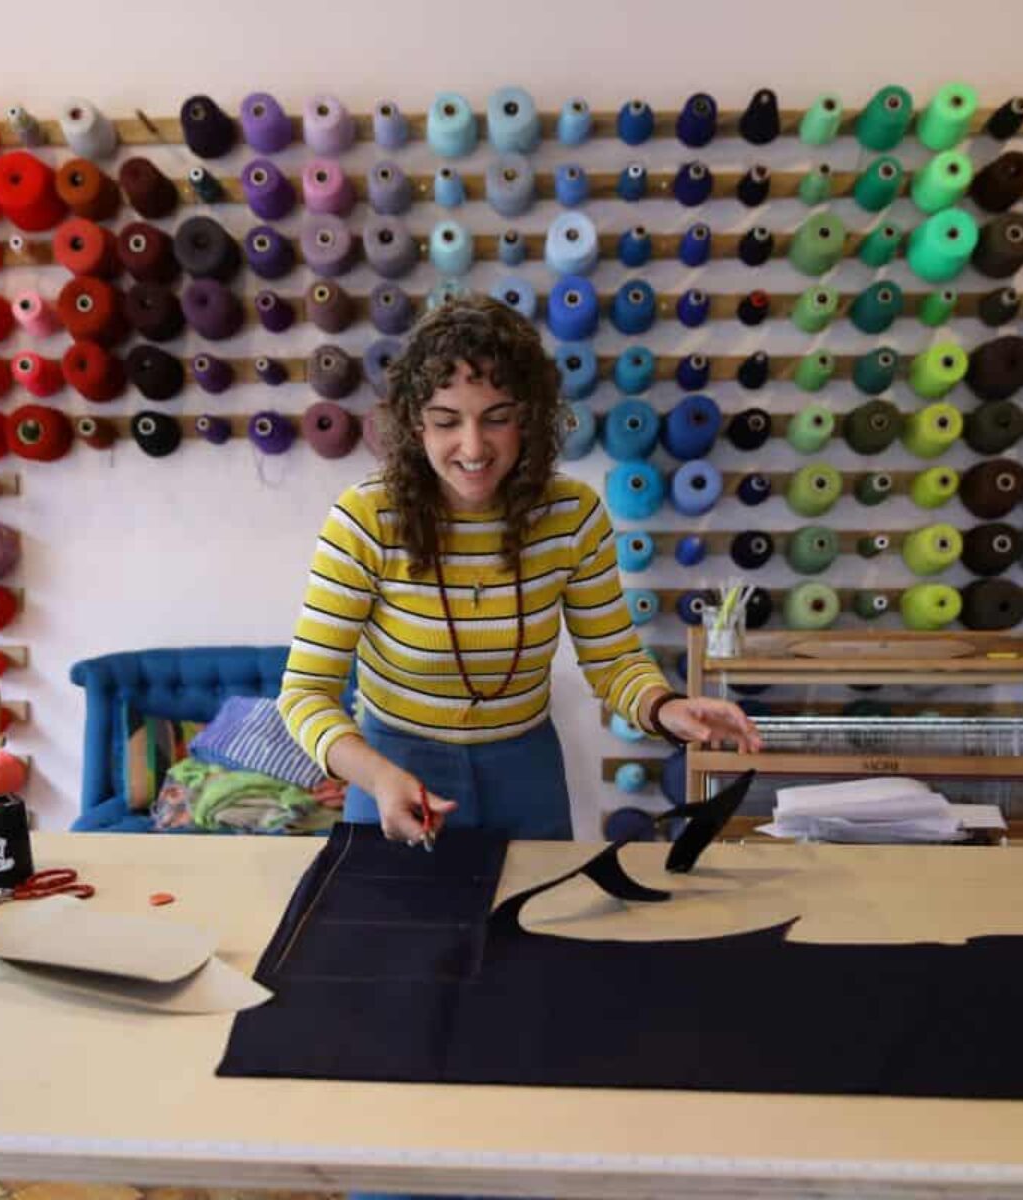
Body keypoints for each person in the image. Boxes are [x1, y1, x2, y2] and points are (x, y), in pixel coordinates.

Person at [278, 295, 760, 845]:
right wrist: (379, 777)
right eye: (446, 422)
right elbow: (305, 693)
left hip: (525, 776)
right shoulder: (365, 519)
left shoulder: (571, 516)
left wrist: (665, 706)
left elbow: (614, 659)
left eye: (497, 418)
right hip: (394, 770)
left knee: (530, 928)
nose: (474, 446)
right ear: (416, 426)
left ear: (528, 417)